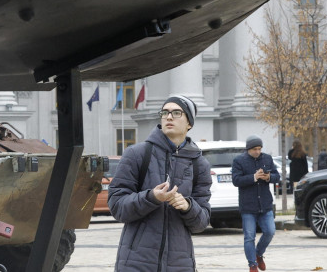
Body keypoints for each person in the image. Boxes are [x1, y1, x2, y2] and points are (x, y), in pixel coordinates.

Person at [107, 95, 212, 271]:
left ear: (189, 123)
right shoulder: (136, 154)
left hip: (180, 264)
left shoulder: (199, 164)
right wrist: (152, 197)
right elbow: (117, 207)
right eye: (165, 112)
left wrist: (187, 206)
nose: (169, 117)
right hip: (136, 263)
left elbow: (201, 223)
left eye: (176, 112)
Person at [231, 135, 280, 272]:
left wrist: (268, 177)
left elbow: (277, 176)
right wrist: (254, 177)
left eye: (259, 149)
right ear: (248, 149)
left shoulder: (267, 159)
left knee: (270, 231)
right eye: (254, 149)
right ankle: (252, 264)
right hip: (248, 206)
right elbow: (236, 180)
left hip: (265, 204)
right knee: (249, 237)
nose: (257, 152)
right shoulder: (239, 161)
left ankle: (258, 254)